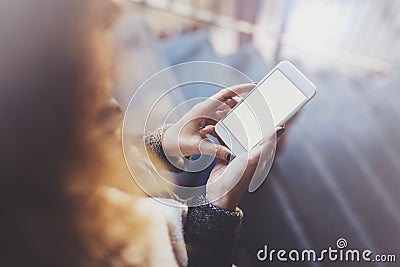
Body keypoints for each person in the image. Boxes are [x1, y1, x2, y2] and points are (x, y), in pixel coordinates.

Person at [0, 0, 283, 266]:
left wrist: (162, 146)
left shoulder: (32, 186)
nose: (117, 107)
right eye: (98, 111)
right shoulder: (106, 250)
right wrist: (214, 214)